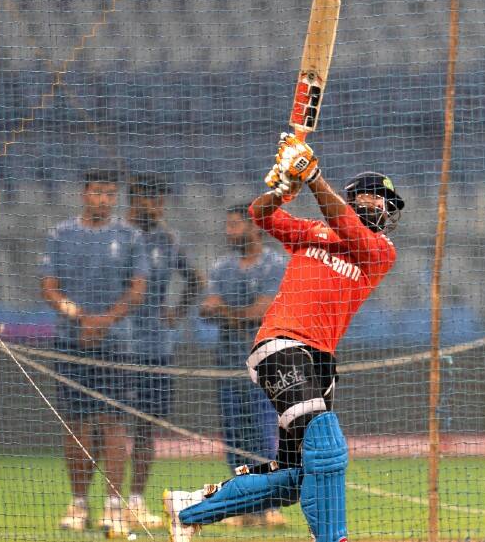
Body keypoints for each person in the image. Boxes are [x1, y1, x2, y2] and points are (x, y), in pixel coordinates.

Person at [164, 133, 404, 542]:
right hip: (282, 344)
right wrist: (283, 188)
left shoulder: (379, 250)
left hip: (320, 361)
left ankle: (189, 508)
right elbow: (261, 214)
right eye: (382, 201)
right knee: (328, 447)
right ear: (361, 198)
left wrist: (313, 177)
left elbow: (348, 229)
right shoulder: (312, 230)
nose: (387, 211)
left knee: (295, 476)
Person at [41, 169, 148, 537]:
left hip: (117, 344)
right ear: (83, 194)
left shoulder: (130, 236)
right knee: (76, 424)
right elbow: (50, 288)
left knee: (114, 424)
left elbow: (137, 290)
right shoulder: (61, 234)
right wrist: (79, 316)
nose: (103, 199)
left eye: (109, 193)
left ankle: (115, 505)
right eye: (96, 192)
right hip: (72, 344)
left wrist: (103, 321)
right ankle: (78, 503)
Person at [124, 173, 203, 530]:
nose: (157, 207)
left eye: (161, 200)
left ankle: (135, 501)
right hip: (117, 345)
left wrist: (175, 313)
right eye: (151, 199)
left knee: (144, 428)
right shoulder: (117, 235)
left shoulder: (165, 240)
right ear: (135, 199)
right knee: (101, 424)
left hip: (155, 347)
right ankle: (97, 503)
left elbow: (196, 281)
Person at [199, 204, 286, 528]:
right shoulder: (222, 266)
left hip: (265, 366)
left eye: (236, 225)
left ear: (255, 227)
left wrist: (226, 310)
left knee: (263, 437)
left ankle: (269, 506)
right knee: (235, 438)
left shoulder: (274, 265)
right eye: (228, 225)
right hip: (228, 364)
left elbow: (260, 312)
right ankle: (242, 506)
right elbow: (205, 309)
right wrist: (235, 313)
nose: (229, 231)